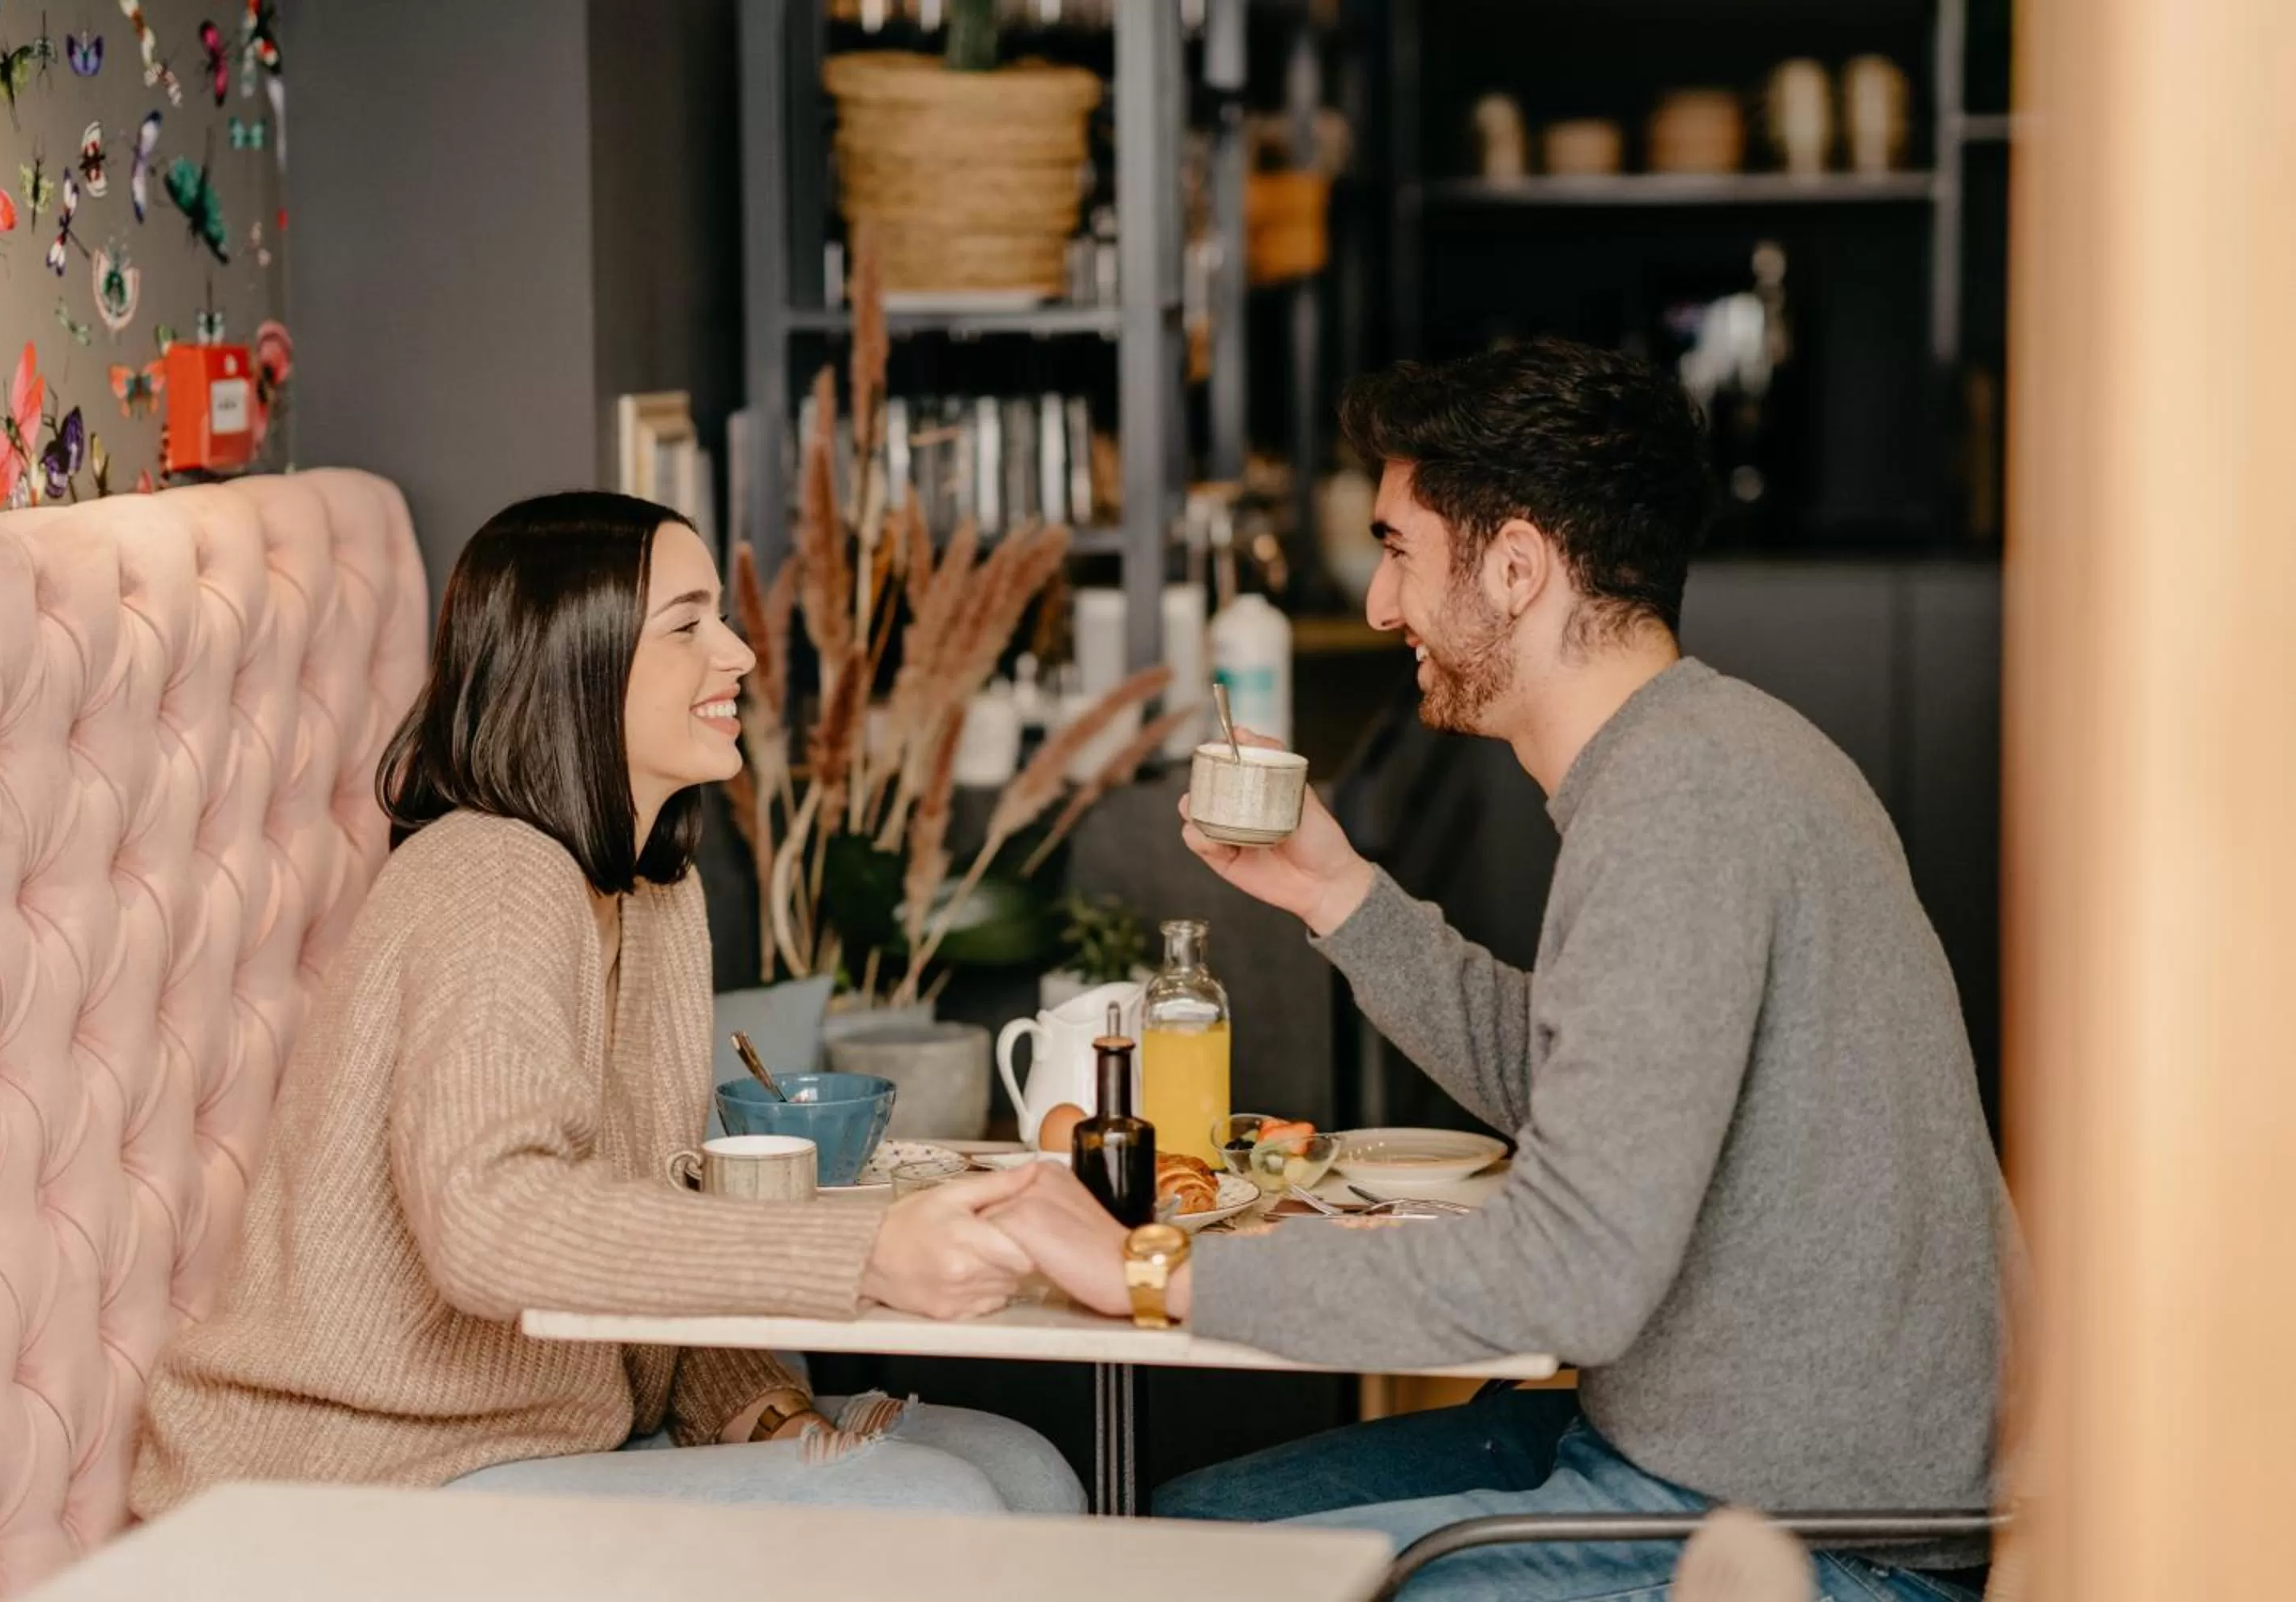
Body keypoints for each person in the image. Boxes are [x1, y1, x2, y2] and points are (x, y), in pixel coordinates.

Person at [985, 341, 2013, 1597]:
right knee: (1187, 1533)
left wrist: (1153, 1271)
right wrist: (1335, 892)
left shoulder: (1680, 805)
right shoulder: (1700, 754)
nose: (1380, 604)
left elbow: (1573, 1272)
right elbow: (1584, 1091)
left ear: (1517, 568)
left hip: (1818, 1530)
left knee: (1194, 1583)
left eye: (1399, 550)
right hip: (1705, 1452)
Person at [131, 492, 1081, 1520]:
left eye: (722, 617)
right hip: (363, 1471)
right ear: (575, 663)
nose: (737, 655)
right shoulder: (493, 876)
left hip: (559, 1431)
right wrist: (862, 1255)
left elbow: (637, 1227)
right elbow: (491, 1221)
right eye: (686, 625)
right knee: (938, 1502)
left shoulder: (653, 892)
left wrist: (764, 1411)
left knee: (1029, 1471)